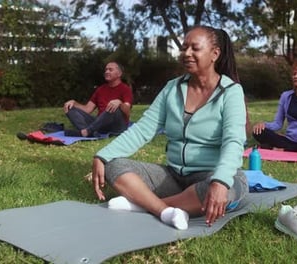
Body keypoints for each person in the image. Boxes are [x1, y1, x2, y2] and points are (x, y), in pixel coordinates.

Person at [91, 25, 248, 230]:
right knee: (114, 165)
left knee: (226, 189)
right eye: (184, 48)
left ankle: (144, 205)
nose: (187, 53)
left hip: (211, 174)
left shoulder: (230, 92)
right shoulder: (172, 88)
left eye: (195, 48)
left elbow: (233, 141)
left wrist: (220, 181)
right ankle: (166, 211)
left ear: (214, 54)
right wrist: (103, 155)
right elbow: (142, 129)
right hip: (173, 177)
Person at [63, 62, 133, 137]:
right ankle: (89, 132)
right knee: (70, 108)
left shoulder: (125, 89)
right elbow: (87, 109)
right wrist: (74, 103)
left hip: (117, 126)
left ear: (119, 74)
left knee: (114, 108)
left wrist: (120, 103)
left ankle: (87, 132)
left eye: (110, 70)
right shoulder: (100, 89)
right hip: (99, 125)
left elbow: (127, 112)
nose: (107, 72)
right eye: (106, 70)